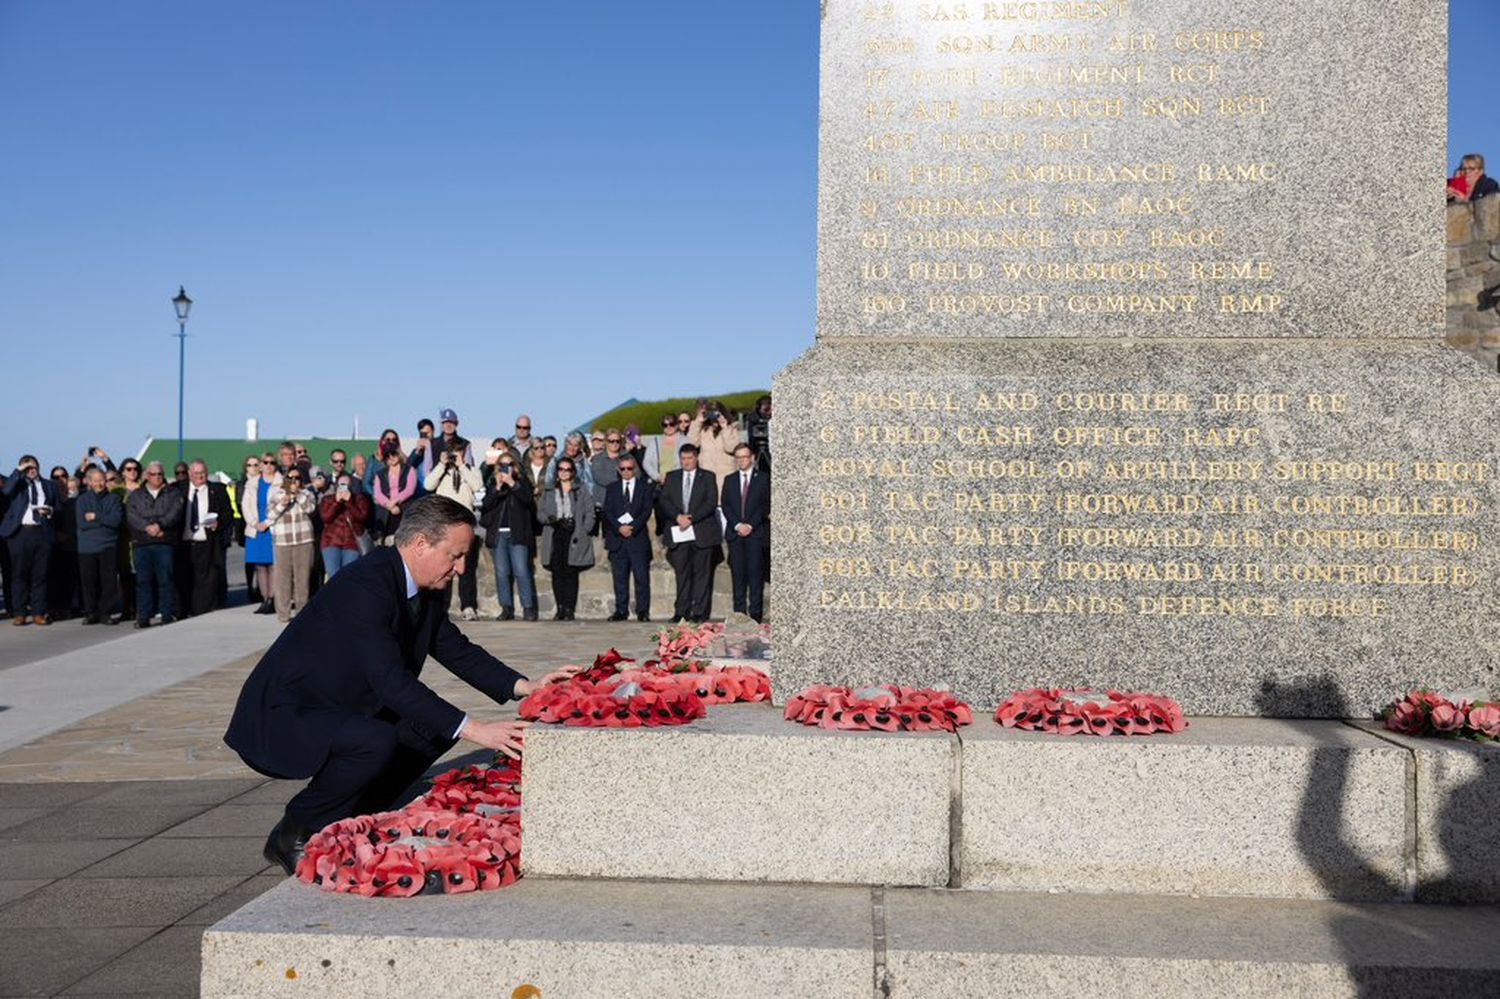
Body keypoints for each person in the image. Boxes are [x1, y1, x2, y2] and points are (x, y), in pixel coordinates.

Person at [222, 495, 581, 874]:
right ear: (421, 543)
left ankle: (354, 816)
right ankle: (295, 830)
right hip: (287, 714)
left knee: (434, 727)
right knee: (378, 740)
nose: (460, 569)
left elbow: (456, 649)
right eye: (455, 556)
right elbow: (391, 682)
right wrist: (479, 731)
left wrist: (527, 686)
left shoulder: (419, 588)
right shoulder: (366, 585)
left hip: (338, 704)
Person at [658, 443, 722, 623]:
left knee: (702, 575)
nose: (686, 462)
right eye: (683, 459)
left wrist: (691, 518)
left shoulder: (707, 477)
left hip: (701, 531)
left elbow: (710, 502)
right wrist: (678, 517)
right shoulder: (672, 477)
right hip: (679, 532)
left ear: (696, 458)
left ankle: (699, 612)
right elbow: (664, 501)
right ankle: (681, 611)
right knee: (682, 574)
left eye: (690, 458)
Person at [423, 439, 483, 620]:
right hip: (444, 526)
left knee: (466, 570)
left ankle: (468, 606)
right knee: (443, 568)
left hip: (465, 526)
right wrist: (442, 464)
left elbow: (478, 486)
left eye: (458, 451)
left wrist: (462, 466)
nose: (454, 455)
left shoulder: (472, 470)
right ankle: (441, 607)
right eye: (451, 452)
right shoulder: (441, 472)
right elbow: (428, 485)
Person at [2, 455, 60, 625]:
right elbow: (6, 492)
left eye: (33, 467)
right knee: (19, 575)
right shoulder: (17, 484)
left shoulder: (48, 485)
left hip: (42, 532)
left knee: (39, 575)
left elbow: (57, 507)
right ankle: (20, 613)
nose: (31, 470)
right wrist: (19, 471)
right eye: (27, 468)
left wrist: (50, 511)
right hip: (20, 533)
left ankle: (38, 612)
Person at [480, 449, 537, 621]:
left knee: (521, 571)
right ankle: (506, 607)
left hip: (518, 533)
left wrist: (512, 483)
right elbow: (486, 505)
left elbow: (527, 500)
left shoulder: (521, 482)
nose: (506, 468)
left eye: (509, 465)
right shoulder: (493, 484)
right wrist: (497, 488)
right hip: (498, 534)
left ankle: (528, 608)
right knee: (502, 572)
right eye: (502, 465)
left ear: (515, 467)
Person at [125, 461, 184, 628]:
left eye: (159, 474)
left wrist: (160, 525)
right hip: (142, 543)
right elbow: (132, 516)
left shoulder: (173, 493)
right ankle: (143, 616)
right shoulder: (136, 495)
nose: (157, 477)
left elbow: (175, 513)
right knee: (143, 581)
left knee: (165, 579)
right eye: (153, 474)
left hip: (164, 542)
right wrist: (147, 527)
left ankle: (167, 614)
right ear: (146, 476)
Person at [539, 456, 595, 620]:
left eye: (567, 470)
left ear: (573, 472)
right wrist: (549, 519)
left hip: (574, 533)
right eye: (561, 469)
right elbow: (540, 511)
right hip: (555, 532)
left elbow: (589, 512)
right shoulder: (549, 490)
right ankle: (560, 607)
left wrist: (584, 530)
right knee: (557, 572)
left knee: (571, 572)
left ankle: (569, 608)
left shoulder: (581, 489)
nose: (564, 473)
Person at [721, 443, 771, 622]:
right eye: (738, 458)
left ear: (752, 458)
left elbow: (765, 505)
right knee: (738, 577)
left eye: (744, 457)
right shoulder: (730, 479)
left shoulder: (763, 479)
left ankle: (756, 615)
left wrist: (750, 525)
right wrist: (737, 525)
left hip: (755, 534)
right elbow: (726, 505)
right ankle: (739, 614)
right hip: (735, 535)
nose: (741, 460)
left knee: (755, 576)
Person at [179, 459, 234, 618]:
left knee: (206, 580)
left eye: (202, 473)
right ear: (189, 474)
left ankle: (201, 611)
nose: (200, 476)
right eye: (196, 473)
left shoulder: (217, 490)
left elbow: (228, 514)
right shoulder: (179, 489)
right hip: (185, 543)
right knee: (185, 578)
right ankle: (184, 610)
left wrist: (219, 523)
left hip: (207, 543)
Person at [602, 455, 654, 621]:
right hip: (617, 539)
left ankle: (642, 611)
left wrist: (633, 527)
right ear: (618, 470)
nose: (626, 471)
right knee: (620, 579)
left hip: (637, 538)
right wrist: (619, 528)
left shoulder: (644, 487)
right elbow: (607, 511)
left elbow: (646, 510)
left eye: (629, 468)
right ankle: (621, 610)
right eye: (623, 468)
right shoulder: (612, 488)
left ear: (635, 469)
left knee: (641, 578)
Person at [267, 468, 317, 622]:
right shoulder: (277, 494)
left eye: (297, 478)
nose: (294, 481)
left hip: (304, 539)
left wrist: (299, 495)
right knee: (283, 579)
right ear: (285, 479)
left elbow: (311, 509)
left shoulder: (307, 493)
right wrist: (283, 504)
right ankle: (283, 613)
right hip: (283, 540)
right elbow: (270, 515)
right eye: (291, 478)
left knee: (302, 579)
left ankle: (301, 613)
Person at [76, 466, 123, 624]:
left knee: (108, 582)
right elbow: (82, 523)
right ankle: (91, 612)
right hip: (87, 548)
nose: (99, 483)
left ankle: (105, 613)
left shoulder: (114, 499)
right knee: (89, 582)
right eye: (95, 480)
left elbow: (116, 521)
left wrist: (96, 516)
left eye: (102, 480)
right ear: (89, 482)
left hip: (108, 546)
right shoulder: (82, 500)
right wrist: (104, 521)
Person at [317, 473, 371, 579]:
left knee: (349, 575)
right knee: (333, 576)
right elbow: (325, 517)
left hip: (352, 543)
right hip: (331, 542)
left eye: (347, 485)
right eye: (341, 485)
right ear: (336, 485)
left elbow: (361, 517)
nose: (344, 488)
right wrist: (336, 503)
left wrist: (349, 502)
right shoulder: (328, 499)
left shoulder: (359, 499)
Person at [240, 456, 276, 614]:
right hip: (255, 528)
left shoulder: (280, 482)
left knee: (273, 565)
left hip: (272, 527)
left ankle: (273, 598)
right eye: (265, 463)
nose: (268, 466)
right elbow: (245, 505)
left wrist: (267, 522)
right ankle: (265, 598)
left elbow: (282, 504)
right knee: (260, 566)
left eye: (272, 463)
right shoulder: (252, 483)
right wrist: (255, 523)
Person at [372, 447, 417, 544]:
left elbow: (410, 489)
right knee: (386, 542)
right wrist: (389, 504)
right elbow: (378, 494)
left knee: (404, 540)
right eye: (387, 456)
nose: (391, 457)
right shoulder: (379, 474)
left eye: (393, 454)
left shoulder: (409, 470)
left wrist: (395, 501)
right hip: (386, 511)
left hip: (404, 508)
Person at [689, 399, 742, 483]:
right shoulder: (703, 431)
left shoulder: (731, 429)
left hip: (727, 476)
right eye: (711, 413)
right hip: (707, 476)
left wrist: (725, 428)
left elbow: (731, 448)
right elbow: (692, 444)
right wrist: (698, 422)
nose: (714, 417)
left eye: (717, 414)